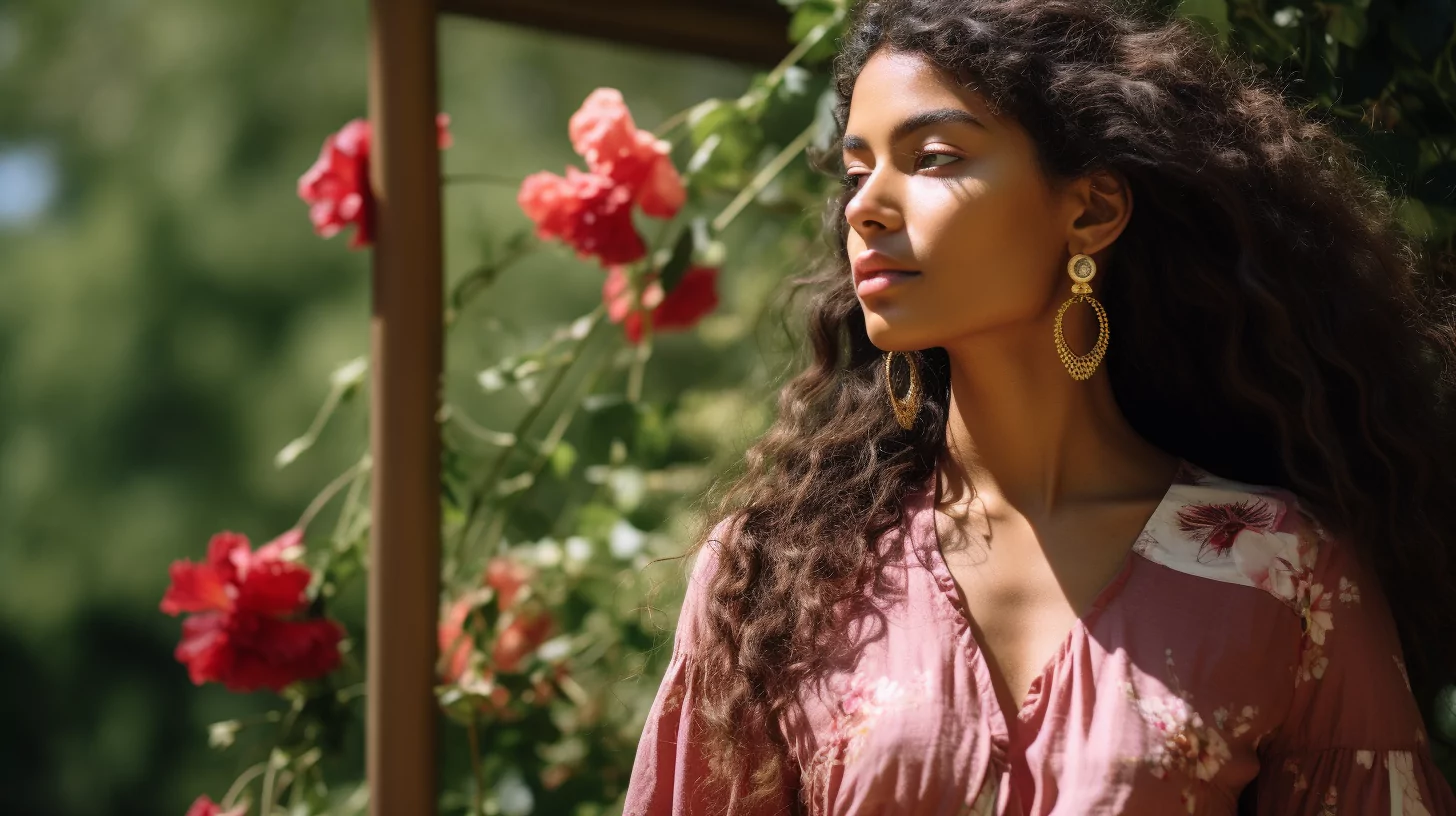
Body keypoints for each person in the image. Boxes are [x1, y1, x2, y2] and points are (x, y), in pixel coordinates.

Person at [622, 0, 1456, 813]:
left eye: (934, 157)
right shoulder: (779, 575)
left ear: (1089, 211)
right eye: (855, 171)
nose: (864, 206)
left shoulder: (1282, 574)